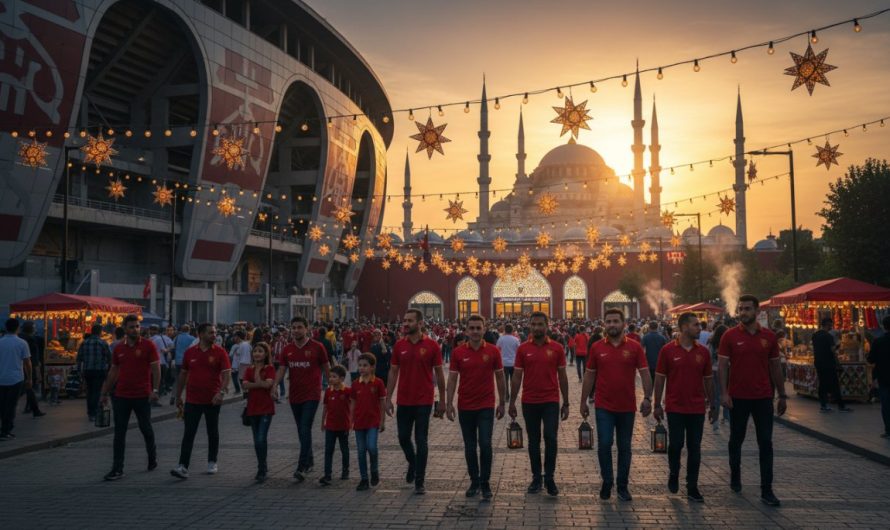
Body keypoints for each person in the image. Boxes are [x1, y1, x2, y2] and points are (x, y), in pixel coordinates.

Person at [718, 294, 785, 507]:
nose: (743, 312)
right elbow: (722, 367)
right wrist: (724, 393)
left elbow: (775, 367)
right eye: (741, 309)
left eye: (747, 309)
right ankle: (735, 474)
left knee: (765, 442)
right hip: (738, 397)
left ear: (757, 311)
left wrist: (782, 395)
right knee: (736, 439)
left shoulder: (769, 337)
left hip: (763, 397)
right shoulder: (729, 336)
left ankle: (767, 489)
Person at [580, 308, 653, 502]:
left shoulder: (635, 347)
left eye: (615, 321)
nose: (612, 324)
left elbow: (645, 372)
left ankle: (622, 485)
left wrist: (648, 397)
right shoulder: (597, 347)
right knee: (604, 444)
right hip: (604, 406)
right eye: (609, 321)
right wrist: (583, 400)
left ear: (623, 323)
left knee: (624, 447)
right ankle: (607, 481)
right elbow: (589, 375)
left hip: (627, 407)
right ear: (604, 324)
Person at [653, 312, 716, 503]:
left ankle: (692, 486)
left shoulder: (703, 351)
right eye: (696, 325)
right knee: (676, 445)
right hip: (675, 407)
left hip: (697, 408)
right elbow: (660, 378)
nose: (699, 328)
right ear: (685, 327)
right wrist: (657, 404)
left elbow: (708, 380)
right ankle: (674, 473)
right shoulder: (668, 350)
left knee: (694, 447)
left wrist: (713, 404)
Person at [385, 309, 446, 495]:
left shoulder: (432, 345)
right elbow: (393, 372)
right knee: (403, 438)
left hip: (424, 401)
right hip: (404, 400)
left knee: (421, 440)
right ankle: (413, 462)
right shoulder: (399, 346)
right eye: (405, 320)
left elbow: (440, 374)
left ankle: (420, 480)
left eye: (410, 321)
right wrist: (388, 398)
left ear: (420, 323)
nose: (405, 323)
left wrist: (443, 400)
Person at [509, 312, 569, 497]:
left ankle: (549, 477)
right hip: (529, 401)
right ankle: (536, 477)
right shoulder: (523, 349)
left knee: (551, 438)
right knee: (533, 441)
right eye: (533, 324)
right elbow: (517, 376)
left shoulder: (557, 348)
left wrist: (566, 402)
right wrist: (511, 401)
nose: (537, 328)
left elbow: (563, 377)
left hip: (551, 401)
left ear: (547, 325)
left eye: (540, 324)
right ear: (529, 325)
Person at [446, 314, 506, 500]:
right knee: (470, 446)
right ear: (466, 330)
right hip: (465, 405)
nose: (475, 331)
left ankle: (485, 482)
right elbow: (453, 379)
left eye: (478, 328)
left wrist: (503, 402)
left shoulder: (494, 351)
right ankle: (474, 480)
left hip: (486, 405)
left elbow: (500, 377)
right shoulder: (458, 353)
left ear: (484, 329)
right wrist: (448, 403)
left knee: (486, 444)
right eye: (471, 328)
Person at [99, 314, 160, 480]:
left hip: (142, 395)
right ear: (125, 329)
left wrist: (155, 390)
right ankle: (117, 468)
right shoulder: (118, 348)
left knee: (145, 428)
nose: (135, 329)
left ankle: (152, 458)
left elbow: (156, 369)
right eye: (132, 327)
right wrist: (104, 392)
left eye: (137, 326)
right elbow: (113, 371)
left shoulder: (149, 346)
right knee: (119, 433)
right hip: (122, 395)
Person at [170, 323, 232, 479]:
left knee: (212, 431)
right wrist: (178, 396)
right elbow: (183, 375)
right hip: (192, 399)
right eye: (211, 333)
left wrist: (222, 392)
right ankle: (183, 466)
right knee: (189, 433)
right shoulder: (190, 353)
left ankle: (212, 461)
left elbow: (226, 374)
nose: (214, 335)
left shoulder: (220, 352)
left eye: (215, 332)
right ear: (200, 334)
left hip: (212, 399)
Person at [274, 316, 331, 482]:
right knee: (301, 430)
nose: (296, 330)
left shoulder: (317, 347)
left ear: (307, 329)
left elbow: (327, 368)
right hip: (295, 396)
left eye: (300, 327)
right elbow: (282, 370)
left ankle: (302, 466)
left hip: (312, 395)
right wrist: (275, 385)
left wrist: (334, 386)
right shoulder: (287, 349)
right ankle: (310, 460)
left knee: (305, 427)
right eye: (294, 327)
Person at [241, 342, 276, 482]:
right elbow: (244, 385)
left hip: (266, 408)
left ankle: (261, 469)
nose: (257, 353)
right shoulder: (249, 369)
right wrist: (259, 384)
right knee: (257, 440)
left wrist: (253, 385)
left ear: (266, 354)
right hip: (252, 408)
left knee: (261, 438)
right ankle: (262, 465)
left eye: (260, 351)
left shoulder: (270, 368)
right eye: (255, 351)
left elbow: (268, 384)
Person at [352, 353, 387, 490]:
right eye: (360, 365)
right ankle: (364, 479)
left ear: (372, 367)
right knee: (361, 451)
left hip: (373, 421)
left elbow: (382, 403)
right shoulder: (355, 384)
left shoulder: (378, 383)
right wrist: (351, 420)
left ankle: (374, 471)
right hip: (359, 422)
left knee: (372, 447)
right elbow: (353, 403)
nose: (362, 368)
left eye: (365, 365)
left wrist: (383, 421)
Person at [0, 318, 33, 440]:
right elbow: (27, 362)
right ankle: (6, 430)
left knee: (3, 405)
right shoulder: (22, 343)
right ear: (17, 328)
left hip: (1, 378)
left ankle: (4, 428)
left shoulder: (0, 342)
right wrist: (30, 378)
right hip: (15, 378)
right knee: (11, 405)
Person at [320, 365, 351, 486]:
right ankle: (327, 474)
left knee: (344, 449)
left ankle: (345, 471)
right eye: (330, 376)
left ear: (342, 378)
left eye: (334, 377)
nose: (331, 379)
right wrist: (323, 422)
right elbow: (325, 408)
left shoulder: (347, 391)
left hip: (343, 426)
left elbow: (353, 406)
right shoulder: (328, 392)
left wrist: (352, 421)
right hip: (330, 426)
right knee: (328, 450)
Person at [812, 318, 852, 413]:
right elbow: (833, 350)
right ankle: (840, 405)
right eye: (830, 325)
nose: (831, 327)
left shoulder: (815, 335)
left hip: (818, 362)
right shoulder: (828, 336)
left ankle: (823, 405)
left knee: (822, 384)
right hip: (829, 363)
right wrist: (838, 361)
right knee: (835, 383)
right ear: (827, 324)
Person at [76, 324, 112, 421]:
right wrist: (108, 369)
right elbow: (110, 357)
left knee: (90, 391)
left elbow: (79, 359)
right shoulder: (103, 343)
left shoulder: (84, 343)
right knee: (96, 391)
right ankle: (93, 412)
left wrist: (79, 371)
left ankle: (90, 412)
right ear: (100, 332)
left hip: (87, 371)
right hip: (99, 370)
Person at [867, 315, 890, 438]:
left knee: (886, 404)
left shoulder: (878, 341)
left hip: (884, 376)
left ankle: (888, 430)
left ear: (884, 326)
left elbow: (871, 359)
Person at [20, 322, 45, 417]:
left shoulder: (20, 338)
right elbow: (33, 359)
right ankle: (33, 409)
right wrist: (37, 372)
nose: (35, 329)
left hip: (19, 367)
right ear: (31, 329)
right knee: (28, 388)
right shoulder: (31, 340)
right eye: (34, 327)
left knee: (29, 389)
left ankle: (33, 409)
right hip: (28, 368)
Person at [708, 324, 731, 430]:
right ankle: (726, 417)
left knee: (716, 396)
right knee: (727, 393)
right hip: (727, 370)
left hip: (714, 371)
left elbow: (709, 358)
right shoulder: (727, 342)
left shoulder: (712, 343)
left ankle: (716, 420)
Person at [170, 324, 196, 405]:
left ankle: (173, 396)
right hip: (187, 362)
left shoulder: (177, 338)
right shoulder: (192, 338)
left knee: (177, 379)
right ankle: (185, 398)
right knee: (187, 380)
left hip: (178, 361)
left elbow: (172, 347)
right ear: (189, 330)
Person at [496, 324, 520, 397]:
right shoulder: (516, 339)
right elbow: (519, 350)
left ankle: (506, 394)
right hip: (513, 363)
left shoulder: (501, 339)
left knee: (505, 380)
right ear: (512, 330)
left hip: (504, 363)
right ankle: (513, 394)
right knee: (513, 381)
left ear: (505, 330)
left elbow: (497, 349)